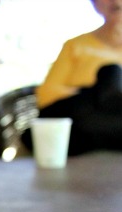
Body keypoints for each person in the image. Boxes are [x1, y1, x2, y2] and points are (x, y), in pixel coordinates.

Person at [21, 0, 122, 155]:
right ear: (95, 4)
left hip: (95, 128)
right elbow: (46, 95)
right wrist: (92, 93)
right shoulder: (75, 45)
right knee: (110, 73)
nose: (115, 1)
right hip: (74, 112)